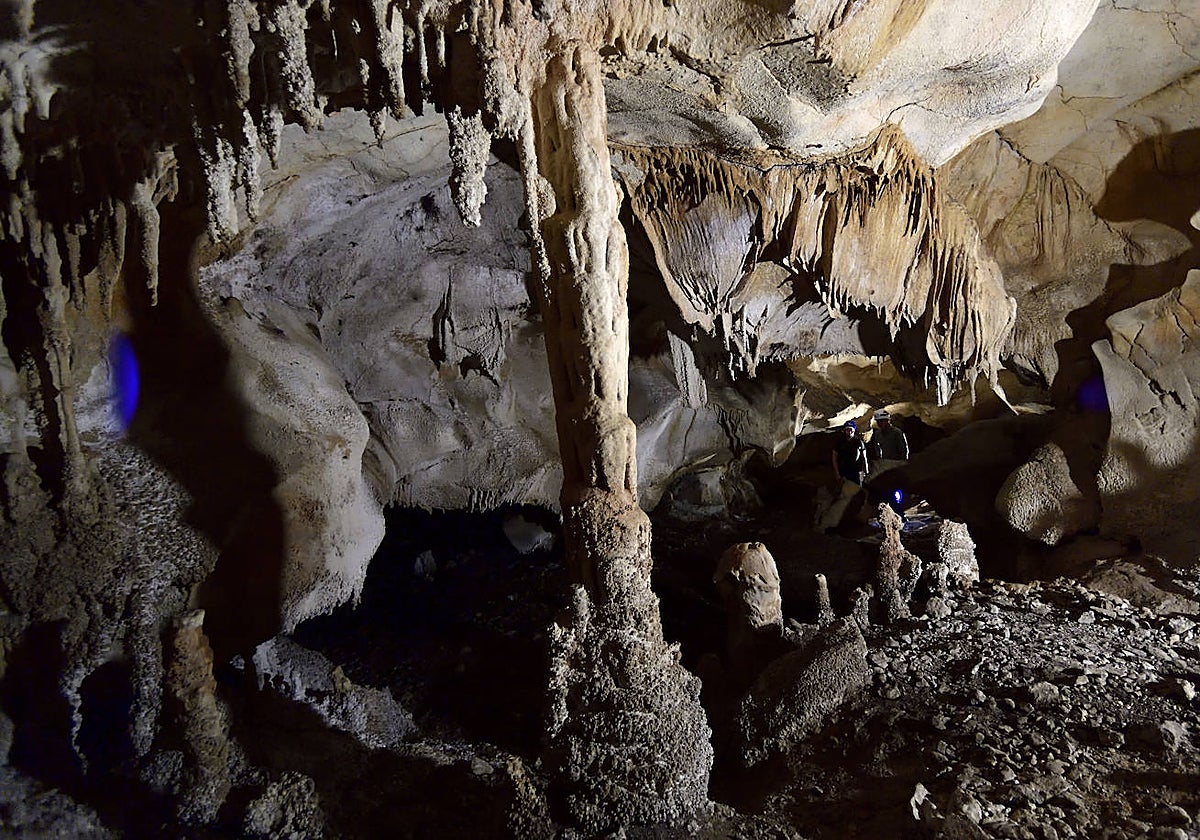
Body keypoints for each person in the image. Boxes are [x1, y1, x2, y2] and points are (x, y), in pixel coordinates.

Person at [832, 420, 869, 485]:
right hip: (844, 472)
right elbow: (834, 458)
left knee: (858, 488)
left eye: (851, 429)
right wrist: (837, 474)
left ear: (854, 430)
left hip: (857, 472)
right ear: (844, 430)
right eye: (847, 429)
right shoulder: (840, 442)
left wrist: (866, 472)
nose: (849, 431)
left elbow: (864, 458)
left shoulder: (859, 442)